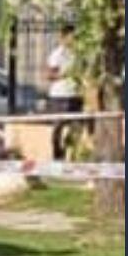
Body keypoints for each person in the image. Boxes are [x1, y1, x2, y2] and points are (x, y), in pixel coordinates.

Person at [46, 24, 81, 159]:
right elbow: (49, 75)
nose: (74, 40)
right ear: (64, 37)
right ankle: (57, 154)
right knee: (58, 126)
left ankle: (71, 152)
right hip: (59, 95)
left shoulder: (77, 54)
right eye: (72, 37)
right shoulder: (57, 54)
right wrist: (65, 74)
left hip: (75, 94)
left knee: (76, 125)